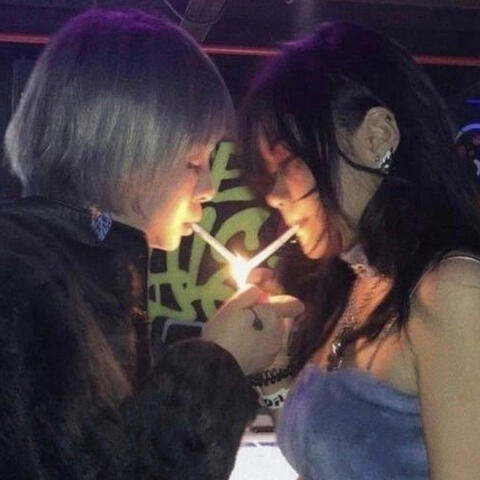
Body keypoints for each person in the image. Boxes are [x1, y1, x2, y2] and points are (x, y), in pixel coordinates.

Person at [0, 8, 303, 479]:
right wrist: (217, 363)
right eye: (194, 162)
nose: (208, 187)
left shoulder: (87, 263)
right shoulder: (24, 283)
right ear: (127, 149)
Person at [240, 21, 480, 480]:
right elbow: (327, 451)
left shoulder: (453, 290)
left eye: (287, 164)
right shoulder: (356, 281)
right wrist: (273, 366)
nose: (273, 195)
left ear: (376, 137)